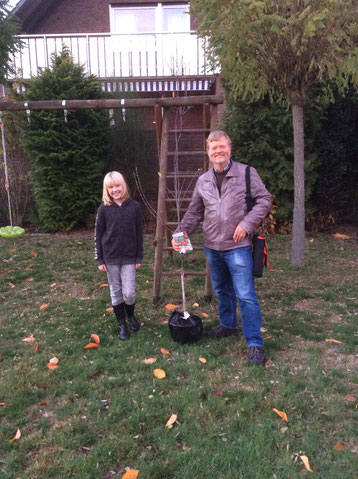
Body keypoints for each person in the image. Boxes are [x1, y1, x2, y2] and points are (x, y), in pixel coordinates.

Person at [172, 130, 272, 365]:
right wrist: (180, 234)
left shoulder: (247, 173)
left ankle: (255, 343)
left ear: (230, 149)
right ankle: (228, 325)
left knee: (246, 295)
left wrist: (247, 224)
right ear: (208, 152)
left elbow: (264, 199)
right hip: (212, 246)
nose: (218, 151)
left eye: (222, 147)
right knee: (222, 291)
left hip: (237, 246)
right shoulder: (203, 180)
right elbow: (195, 211)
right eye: (213, 147)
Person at [95, 171, 143, 340]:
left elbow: (139, 233)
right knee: (116, 292)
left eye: (118, 186)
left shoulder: (135, 207)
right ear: (107, 190)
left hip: (130, 257)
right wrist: (100, 258)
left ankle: (131, 315)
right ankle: (122, 323)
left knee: (129, 293)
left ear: (124, 186)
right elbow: (98, 234)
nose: (115, 190)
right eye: (111, 187)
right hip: (111, 258)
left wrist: (139, 256)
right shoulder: (104, 209)